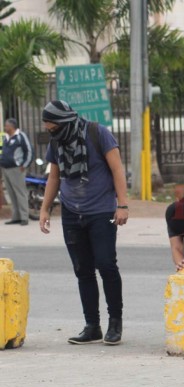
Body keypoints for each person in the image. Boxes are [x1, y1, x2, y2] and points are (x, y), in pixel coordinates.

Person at [38, 100, 129, 346]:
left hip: (101, 211)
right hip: (71, 213)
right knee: (83, 270)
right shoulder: (57, 141)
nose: (50, 131)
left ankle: (115, 323)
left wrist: (122, 204)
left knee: (106, 265)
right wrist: (45, 209)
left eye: (52, 126)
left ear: (64, 122)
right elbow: (54, 176)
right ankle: (92, 326)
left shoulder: (98, 133)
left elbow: (117, 169)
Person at [0, 118, 33, 225]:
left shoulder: (21, 136)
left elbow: (29, 150)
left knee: (20, 193)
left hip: (17, 169)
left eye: (7, 126)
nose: (5, 128)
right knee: (11, 193)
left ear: (12, 126)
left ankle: (24, 217)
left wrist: (24, 165)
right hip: (6, 169)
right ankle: (16, 217)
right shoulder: (6, 137)